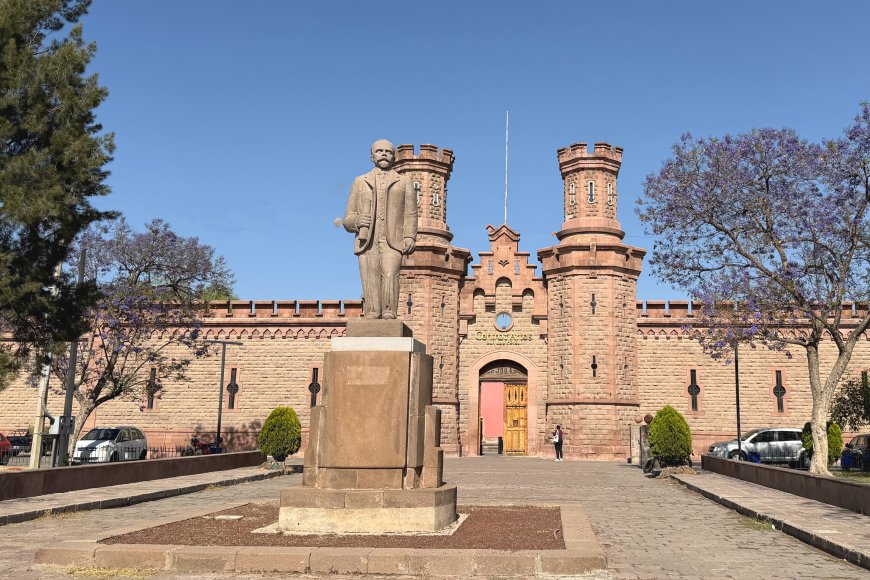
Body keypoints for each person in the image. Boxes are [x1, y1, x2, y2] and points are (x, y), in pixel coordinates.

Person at [343, 139, 418, 319]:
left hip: (393, 240)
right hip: (367, 241)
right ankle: (372, 312)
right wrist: (357, 221)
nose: (384, 154)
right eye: (379, 151)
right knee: (370, 276)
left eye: (388, 151)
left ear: (393, 157)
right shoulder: (360, 181)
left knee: (391, 273)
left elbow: (410, 212)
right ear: (372, 157)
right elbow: (348, 218)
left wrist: (410, 236)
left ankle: (389, 312)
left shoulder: (404, 181)